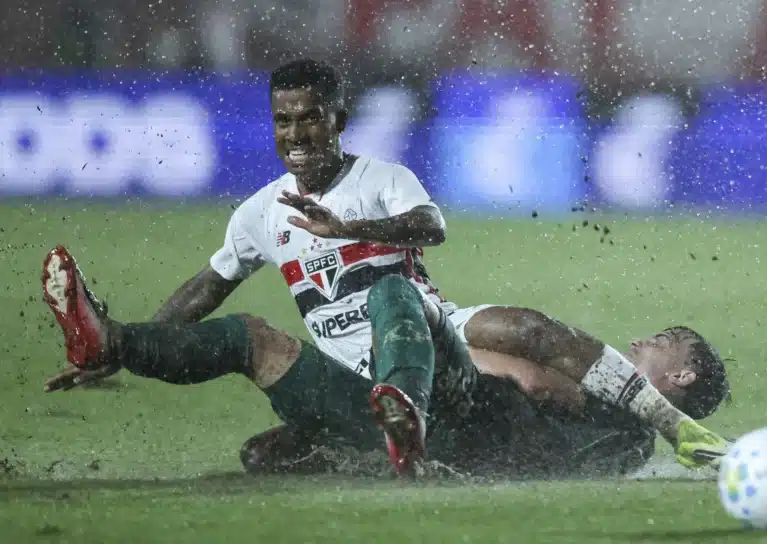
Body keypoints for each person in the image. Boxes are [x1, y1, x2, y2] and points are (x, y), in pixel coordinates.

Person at [41, 58, 728, 477]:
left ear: (338, 119)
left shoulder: (382, 179)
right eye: (283, 122)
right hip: (348, 379)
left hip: (431, 370)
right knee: (247, 346)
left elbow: (433, 226)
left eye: (310, 120)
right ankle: (109, 336)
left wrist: (354, 230)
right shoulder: (259, 212)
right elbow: (207, 286)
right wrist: (123, 354)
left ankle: (410, 419)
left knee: (402, 293)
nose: (297, 136)